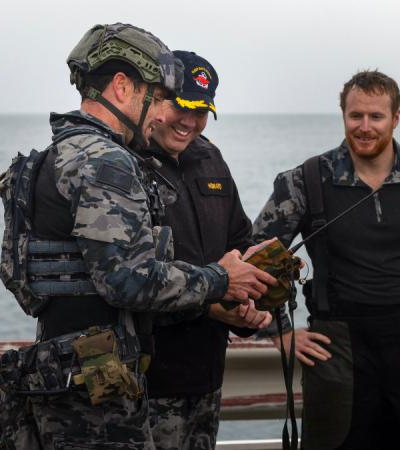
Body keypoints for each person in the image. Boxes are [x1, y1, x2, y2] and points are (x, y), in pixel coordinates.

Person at [0, 23, 276, 450]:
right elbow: (127, 280)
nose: (161, 114)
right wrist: (221, 279)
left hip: (64, 376)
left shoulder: (59, 153)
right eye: (156, 98)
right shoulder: (106, 160)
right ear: (122, 86)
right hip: (93, 393)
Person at [252, 69, 400, 449]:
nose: (365, 127)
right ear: (343, 115)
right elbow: (256, 259)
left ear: (395, 118)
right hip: (335, 352)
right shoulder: (305, 181)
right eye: (356, 115)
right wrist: (279, 331)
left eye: (376, 116)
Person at [140, 50, 274, 450]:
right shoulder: (126, 164)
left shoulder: (211, 158)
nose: (189, 121)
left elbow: (240, 243)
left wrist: (249, 307)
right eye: (181, 106)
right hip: (142, 384)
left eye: (200, 111)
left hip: (206, 377)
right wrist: (211, 302)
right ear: (155, 100)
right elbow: (126, 279)